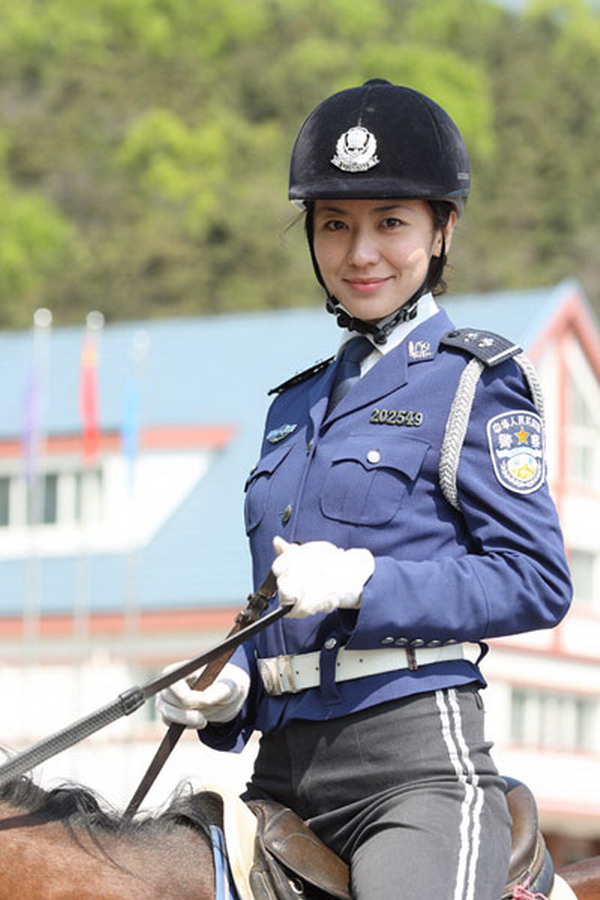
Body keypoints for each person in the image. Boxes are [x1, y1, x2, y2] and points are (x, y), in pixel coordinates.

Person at [157, 79, 572, 900]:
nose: (360, 254)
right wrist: (232, 691)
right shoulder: (293, 406)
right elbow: (283, 603)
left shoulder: (474, 382)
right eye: (334, 225)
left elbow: (536, 580)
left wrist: (365, 582)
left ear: (442, 229)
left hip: (411, 772)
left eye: (391, 223)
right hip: (279, 774)